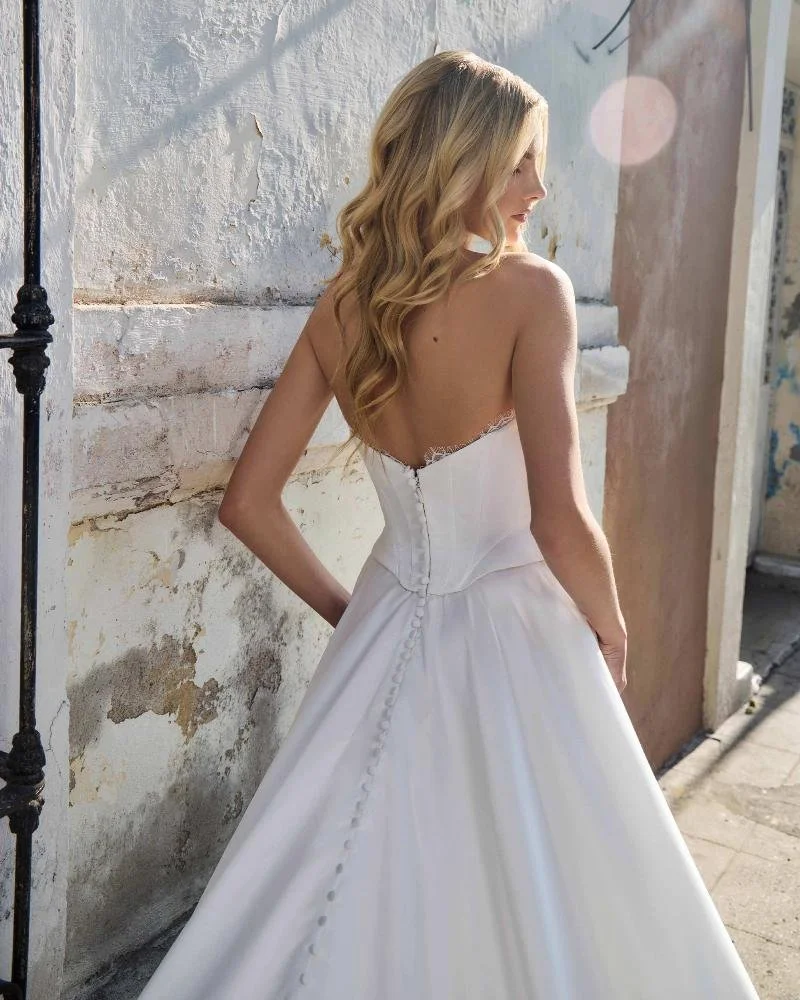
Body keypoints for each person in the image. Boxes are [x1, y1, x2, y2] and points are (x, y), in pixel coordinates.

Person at [138, 50, 761, 999]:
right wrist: (612, 624)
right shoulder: (531, 294)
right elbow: (560, 519)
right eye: (519, 162)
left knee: (335, 873)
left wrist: (354, 613)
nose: (539, 188)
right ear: (460, 160)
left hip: (388, 620)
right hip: (522, 637)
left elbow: (247, 502)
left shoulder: (343, 305)